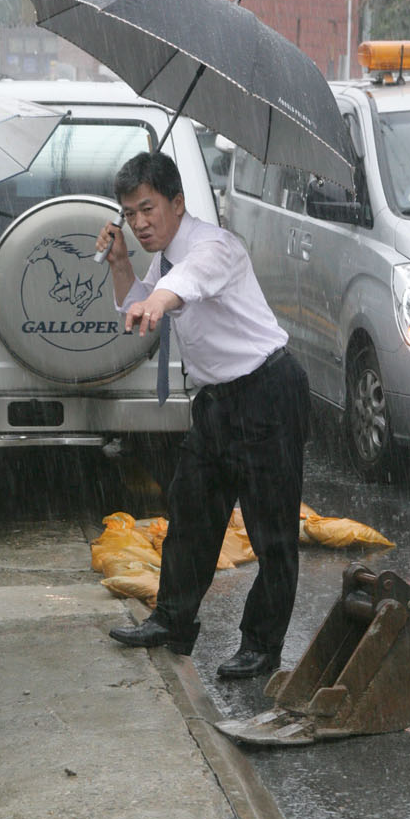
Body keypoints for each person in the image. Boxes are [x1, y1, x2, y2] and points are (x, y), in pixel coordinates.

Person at [97, 150, 311, 679]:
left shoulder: (214, 246)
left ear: (177, 202)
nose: (141, 223)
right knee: (191, 514)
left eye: (148, 209)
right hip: (216, 402)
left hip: (268, 393)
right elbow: (136, 308)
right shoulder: (164, 255)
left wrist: (159, 301)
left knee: (272, 533)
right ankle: (173, 619)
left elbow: (183, 286)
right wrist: (122, 263)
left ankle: (262, 646)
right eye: (129, 214)